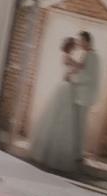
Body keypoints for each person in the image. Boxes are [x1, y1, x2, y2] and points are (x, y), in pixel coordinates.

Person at [28, 31, 96, 174]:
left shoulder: (68, 57)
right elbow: (75, 69)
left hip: (65, 87)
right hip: (65, 87)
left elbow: (76, 68)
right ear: (70, 47)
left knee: (60, 118)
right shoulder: (67, 57)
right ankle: (55, 155)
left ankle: (52, 153)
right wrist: (81, 62)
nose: (76, 47)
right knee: (61, 118)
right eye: (74, 45)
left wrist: (79, 64)